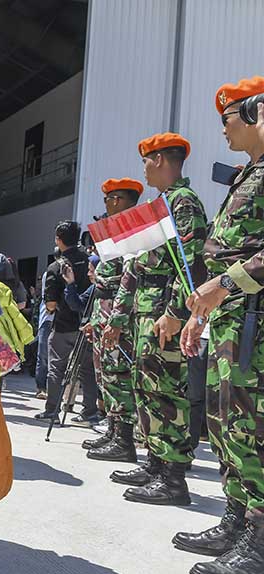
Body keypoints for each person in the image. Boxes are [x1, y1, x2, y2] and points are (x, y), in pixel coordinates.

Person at [178, 78, 264, 574]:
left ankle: (259, 542)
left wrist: (224, 284)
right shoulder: (249, 175)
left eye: (229, 118)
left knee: (252, 426)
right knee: (226, 421)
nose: (223, 129)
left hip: (254, 317)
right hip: (232, 316)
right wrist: (200, 311)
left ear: (255, 114)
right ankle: (238, 520)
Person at [102, 132, 207, 506]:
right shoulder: (160, 204)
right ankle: (156, 464)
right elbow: (134, 265)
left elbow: (192, 264)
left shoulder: (184, 204)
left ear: (160, 160)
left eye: (146, 161)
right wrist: (120, 317)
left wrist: (176, 313)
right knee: (148, 391)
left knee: (167, 395)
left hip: (164, 311)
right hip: (145, 314)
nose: (144, 168)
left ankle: (174, 478)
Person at [83, 178, 144, 462]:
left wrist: (115, 318)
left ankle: (124, 439)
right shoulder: (115, 232)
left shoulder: (134, 231)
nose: (106, 205)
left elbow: (130, 279)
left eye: (108, 200)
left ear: (118, 200)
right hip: (103, 306)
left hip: (118, 310)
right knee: (105, 373)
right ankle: (113, 429)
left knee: (118, 373)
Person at [35, 221, 99, 426]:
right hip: (87, 324)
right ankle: (89, 412)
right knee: (86, 370)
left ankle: (51, 410)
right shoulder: (89, 262)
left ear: (58, 239)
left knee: (56, 368)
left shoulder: (56, 267)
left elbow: (51, 304)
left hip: (63, 326)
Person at [34, 268, 54, 399]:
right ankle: (41, 388)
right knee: (43, 356)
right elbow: (47, 297)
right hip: (47, 319)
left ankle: (56, 389)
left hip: (63, 319)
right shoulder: (50, 273)